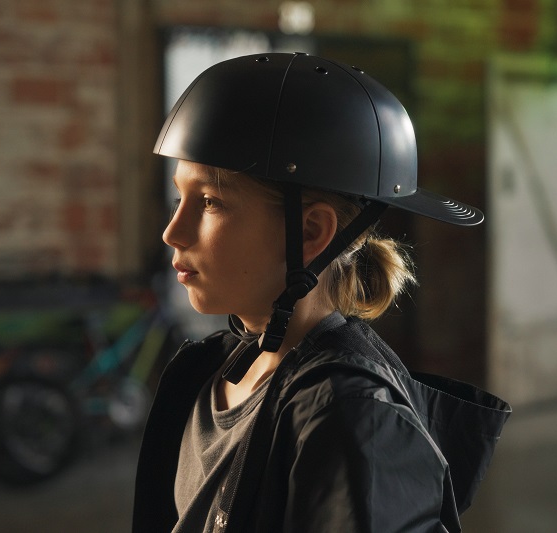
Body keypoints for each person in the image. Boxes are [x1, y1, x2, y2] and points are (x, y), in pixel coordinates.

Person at [132, 52, 511, 533]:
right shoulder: (207, 372)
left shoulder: (354, 422)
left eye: (209, 202)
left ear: (311, 233)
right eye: (178, 197)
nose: (173, 231)